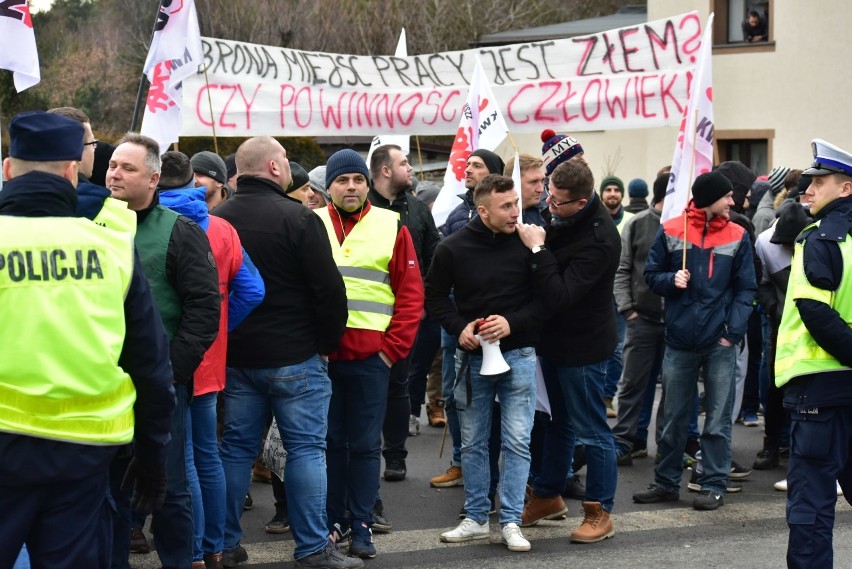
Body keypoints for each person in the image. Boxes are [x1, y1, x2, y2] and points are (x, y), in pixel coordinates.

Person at [0, 111, 174, 567]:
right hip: (87, 453)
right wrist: (155, 452)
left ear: (7, 169)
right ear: (72, 171)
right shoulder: (111, 245)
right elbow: (150, 361)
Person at [212, 136, 358, 569]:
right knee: (307, 450)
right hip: (297, 356)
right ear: (275, 169)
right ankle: (313, 548)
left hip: (238, 358)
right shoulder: (300, 219)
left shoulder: (217, 220)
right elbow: (330, 292)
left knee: (235, 449)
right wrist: (326, 345)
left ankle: (222, 543)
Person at [107, 133, 222, 569]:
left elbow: (204, 308)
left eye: (128, 168)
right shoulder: (91, 226)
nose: (115, 173)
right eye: (113, 165)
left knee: (170, 490)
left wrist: (171, 372)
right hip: (101, 384)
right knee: (111, 490)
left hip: (161, 387)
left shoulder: (181, 232)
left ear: (154, 179)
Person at [158, 151, 266, 569]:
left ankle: (196, 552)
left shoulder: (140, 223)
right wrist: (219, 329)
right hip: (209, 359)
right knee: (207, 455)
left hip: (167, 362)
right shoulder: (220, 227)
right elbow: (253, 291)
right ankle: (215, 546)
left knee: (183, 460)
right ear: (194, 184)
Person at [429, 174, 544, 552]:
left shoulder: (528, 241)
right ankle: (477, 517)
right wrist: (458, 326)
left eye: (516, 203)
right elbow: (434, 298)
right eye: (507, 206)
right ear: (482, 210)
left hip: (520, 355)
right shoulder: (452, 248)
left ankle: (511, 520)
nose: (516, 212)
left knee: (517, 441)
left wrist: (513, 323)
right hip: (472, 359)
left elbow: (549, 300)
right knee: (474, 441)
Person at [317, 148, 423, 558]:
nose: (351, 186)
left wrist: (389, 352)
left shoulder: (391, 224)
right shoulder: (311, 223)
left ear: (367, 184)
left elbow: (411, 296)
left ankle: (361, 524)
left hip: (370, 360)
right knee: (329, 445)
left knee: (363, 446)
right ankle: (332, 522)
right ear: (329, 187)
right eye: (342, 180)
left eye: (358, 180)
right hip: (322, 360)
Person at [633, 171, 756, 511]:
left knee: (717, 419)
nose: (733, 202)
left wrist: (732, 332)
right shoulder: (673, 229)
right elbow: (651, 275)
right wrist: (671, 279)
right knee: (673, 416)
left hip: (720, 341)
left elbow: (747, 289)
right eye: (727, 196)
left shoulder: (738, 234)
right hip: (680, 339)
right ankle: (666, 483)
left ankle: (713, 484)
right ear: (710, 198)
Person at [516, 159, 621, 544]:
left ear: (581, 201)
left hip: (584, 346)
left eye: (557, 202)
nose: (548, 205)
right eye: (548, 195)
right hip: (554, 341)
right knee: (556, 421)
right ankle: (546, 495)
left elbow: (560, 294)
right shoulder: (564, 215)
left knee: (593, 430)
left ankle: (600, 511)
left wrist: (539, 248)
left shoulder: (601, 238)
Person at [774, 139, 852, 569]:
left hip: (820, 389)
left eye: (819, 182)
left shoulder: (820, 239)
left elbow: (815, 312)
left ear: (845, 189)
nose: (807, 190)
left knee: (812, 508)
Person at [429, 148, 505, 491]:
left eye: (477, 165)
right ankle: (461, 461)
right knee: (455, 394)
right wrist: (454, 322)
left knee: (497, 399)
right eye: (468, 164)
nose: (467, 169)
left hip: (497, 323)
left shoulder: (511, 218)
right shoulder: (458, 214)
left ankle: (491, 468)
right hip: (457, 322)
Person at [368, 144, 440, 486]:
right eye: (403, 163)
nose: (410, 168)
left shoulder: (416, 210)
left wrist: (420, 300)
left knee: (398, 386)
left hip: (405, 317)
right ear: (385, 170)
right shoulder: (361, 208)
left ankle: (395, 456)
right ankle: (363, 453)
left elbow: (434, 258)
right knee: (365, 387)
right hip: (364, 320)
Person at [613, 174, 668, 465]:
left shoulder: (685, 225)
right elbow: (621, 270)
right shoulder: (638, 224)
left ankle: (670, 446)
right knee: (634, 384)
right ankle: (625, 441)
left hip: (675, 322)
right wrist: (628, 310)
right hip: (642, 318)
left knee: (673, 389)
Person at [599, 175, 634, 418]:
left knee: (617, 349)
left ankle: (608, 397)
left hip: (619, 294)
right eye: (608, 190)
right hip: (596, 294)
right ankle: (595, 396)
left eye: (616, 190)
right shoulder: (595, 219)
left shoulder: (631, 220)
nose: (612, 194)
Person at [503, 153, 548, 226]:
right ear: (513, 182)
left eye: (542, 181)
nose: (541, 189)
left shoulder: (552, 211)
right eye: (533, 182)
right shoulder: (501, 221)